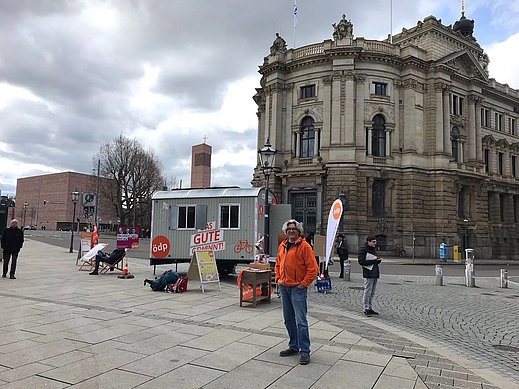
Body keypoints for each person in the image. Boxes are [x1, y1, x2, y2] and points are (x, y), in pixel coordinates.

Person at [275, 219, 319, 365]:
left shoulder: (304, 247)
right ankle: (294, 345)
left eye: (294, 229)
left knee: (301, 321)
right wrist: (278, 278)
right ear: (286, 232)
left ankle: (305, 350)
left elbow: (313, 269)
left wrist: (303, 284)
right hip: (284, 286)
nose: (291, 231)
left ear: (298, 231)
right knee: (288, 319)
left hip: (297, 289)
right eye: (289, 229)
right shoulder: (282, 245)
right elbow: (278, 263)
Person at [358, 235, 382, 316]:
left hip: (374, 272)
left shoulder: (372, 249)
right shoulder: (364, 249)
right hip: (368, 272)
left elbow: (373, 260)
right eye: (373, 242)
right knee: (367, 291)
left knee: (372, 292)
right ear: (368, 241)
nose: (375, 243)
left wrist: (377, 261)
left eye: (375, 241)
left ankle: (370, 307)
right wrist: (374, 261)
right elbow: (361, 261)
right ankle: (366, 308)